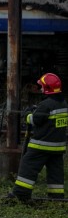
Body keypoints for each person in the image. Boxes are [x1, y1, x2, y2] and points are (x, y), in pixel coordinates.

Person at [9, 73, 66, 201]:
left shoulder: (46, 104)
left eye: (42, 86)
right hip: (58, 147)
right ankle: (56, 198)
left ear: (48, 88)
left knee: (28, 165)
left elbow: (35, 120)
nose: (40, 89)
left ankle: (20, 193)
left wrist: (28, 114)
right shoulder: (63, 103)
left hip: (41, 145)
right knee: (55, 173)